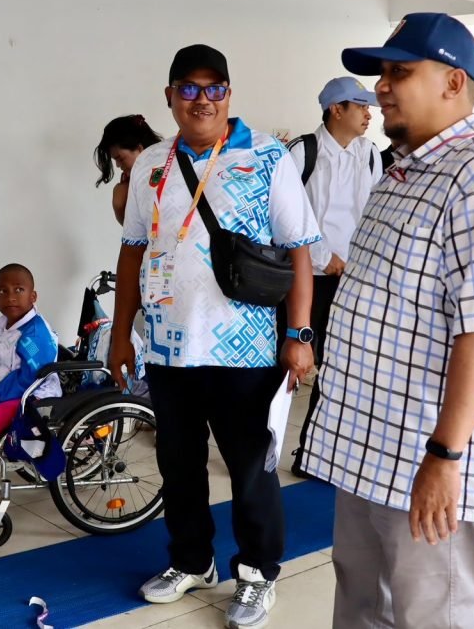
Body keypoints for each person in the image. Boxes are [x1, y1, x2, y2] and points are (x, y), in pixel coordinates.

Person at [303, 12, 474, 628]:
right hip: (369, 443)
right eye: (382, 72)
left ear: (453, 82)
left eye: (399, 72)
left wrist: (445, 457)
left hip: (422, 454)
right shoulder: (403, 171)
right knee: (361, 600)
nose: (381, 87)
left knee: (430, 611)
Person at [108, 43, 320, 629]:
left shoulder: (267, 156)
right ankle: (191, 560)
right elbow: (132, 252)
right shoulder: (151, 163)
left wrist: (300, 332)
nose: (201, 100)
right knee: (178, 465)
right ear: (170, 96)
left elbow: (299, 250)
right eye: (189, 88)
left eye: (214, 88)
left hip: (245, 350)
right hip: (168, 348)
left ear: (228, 94)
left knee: (250, 469)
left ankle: (257, 572)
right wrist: (122, 334)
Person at [286, 76, 382, 477]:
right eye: (360, 106)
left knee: (340, 366)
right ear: (336, 109)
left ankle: (313, 452)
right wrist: (324, 257)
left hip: (352, 279)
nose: (368, 114)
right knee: (288, 366)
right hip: (304, 279)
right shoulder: (302, 151)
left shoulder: (370, 154)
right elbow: (285, 216)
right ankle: (258, 449)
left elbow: (374, 215)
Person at [0, 263, 60, 456]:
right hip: (5, 390)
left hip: (33, 395)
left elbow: (26, 380)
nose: (11, 297)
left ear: (33, 296)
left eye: (19, 290)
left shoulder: (33, 335)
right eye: (3, 291)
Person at [94, 114, 164, 225]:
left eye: (120, 158)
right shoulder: (127, 185)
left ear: (139, 149)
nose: (117, 165)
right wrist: (120, 208)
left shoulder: (169, 172)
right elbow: (134, 231)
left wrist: (119, 206)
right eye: (115, 160)